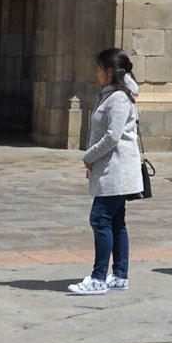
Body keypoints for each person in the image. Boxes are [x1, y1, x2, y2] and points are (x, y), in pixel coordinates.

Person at [69, 48, 142, 295]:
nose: (96, 73)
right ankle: (119, 275)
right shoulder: (110, 94)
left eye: (99, 68)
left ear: (109, 72)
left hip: (116, 171)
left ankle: (98, 277)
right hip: (111, 169)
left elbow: (112, 136)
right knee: (116, 222)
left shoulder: (119, 98)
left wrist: (88, 157)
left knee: (100, 218)